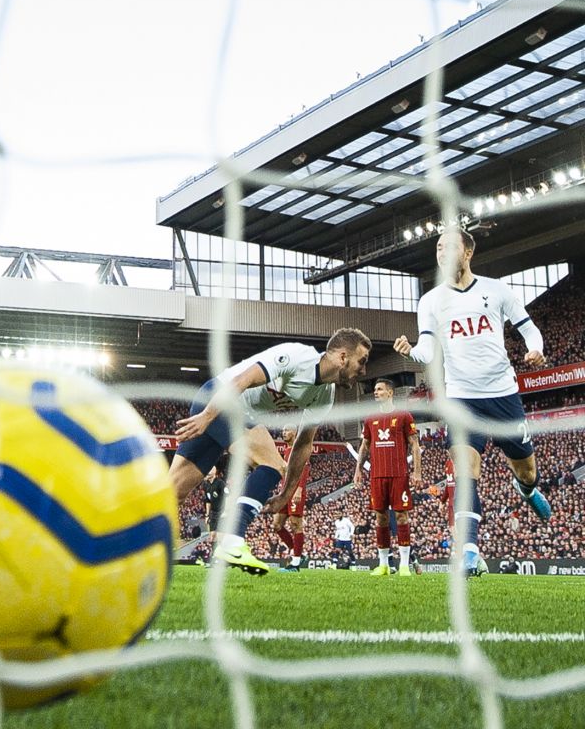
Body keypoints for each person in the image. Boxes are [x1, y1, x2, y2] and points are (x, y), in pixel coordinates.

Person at [394, 228, 551, 578]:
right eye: (437, 248)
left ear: (467, 252)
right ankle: (468, 552)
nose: (441, 253)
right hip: (462, 398)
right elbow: (429, 349)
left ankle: (525, 489)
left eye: (449, 246)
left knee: (527, 470)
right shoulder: (431, 300)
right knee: (465, 471)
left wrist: (535, 348)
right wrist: (412, 352)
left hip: (503, 395)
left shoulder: (496, 290)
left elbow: (528, 328)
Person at [169, 329, 373, 575]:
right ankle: (232, 542)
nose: (364, 370)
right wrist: (207, 417)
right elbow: (241, 380)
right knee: (273, 464)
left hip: (221, 410)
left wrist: (286, 494)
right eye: (361, 361)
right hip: (220, 399)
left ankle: (118, 541)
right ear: (342, 357)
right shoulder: (297, 357)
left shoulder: (324, 396)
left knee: (172, 492)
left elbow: (304, 443)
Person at [354, 378, 421, 576]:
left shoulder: (403, 416)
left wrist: (417, 472)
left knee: (401, 517)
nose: (376, 392)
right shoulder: (370, 419)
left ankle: (403, 565)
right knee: (380, 518)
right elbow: (365, 446)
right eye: (374, 389)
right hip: (377, 475)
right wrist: (358, 469)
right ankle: (383, 564)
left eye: (380, 389)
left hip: (398, 474)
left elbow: (415, 445)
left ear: (390, 392)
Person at [268, 429, 311, 571]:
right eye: (283, 430)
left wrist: (299, 489)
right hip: (284, 492)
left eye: (287, 430)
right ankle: (297, 552)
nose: (284, 432)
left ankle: (296, 564)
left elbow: (304, 468)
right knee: (276, 525)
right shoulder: (286, 451)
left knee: (295, 524)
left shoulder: (299, 448)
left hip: (295, 491)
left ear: (294, 433)